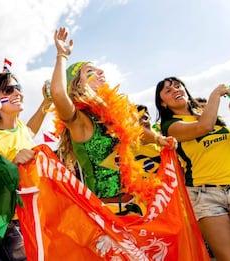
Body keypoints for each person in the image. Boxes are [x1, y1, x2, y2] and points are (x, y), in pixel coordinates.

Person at [49, 27, 175, 214]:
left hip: (135, 206)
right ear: (76, 84)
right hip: (107, 214)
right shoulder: (80, 120)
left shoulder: (111, 115)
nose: (100, 71)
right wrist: (61, 55)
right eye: (90, 71)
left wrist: (158, 139)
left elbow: (136, 132)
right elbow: (58, 93)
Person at [0, 72, 52, 260]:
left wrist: (46, 103)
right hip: (8, 224)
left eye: (19, 88)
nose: (18, 93)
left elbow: (30, 131)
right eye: (9, 90)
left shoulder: (20, 127)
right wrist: (12, 163)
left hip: (30, 217)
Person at [155, 76, 230, 260]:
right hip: (205, 196)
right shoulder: (170, 126)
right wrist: (216, 94)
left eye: (178, 86)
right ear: (163, 104)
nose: (175, 90)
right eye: (168, 90)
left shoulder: (211, 116)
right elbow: (203, 127)